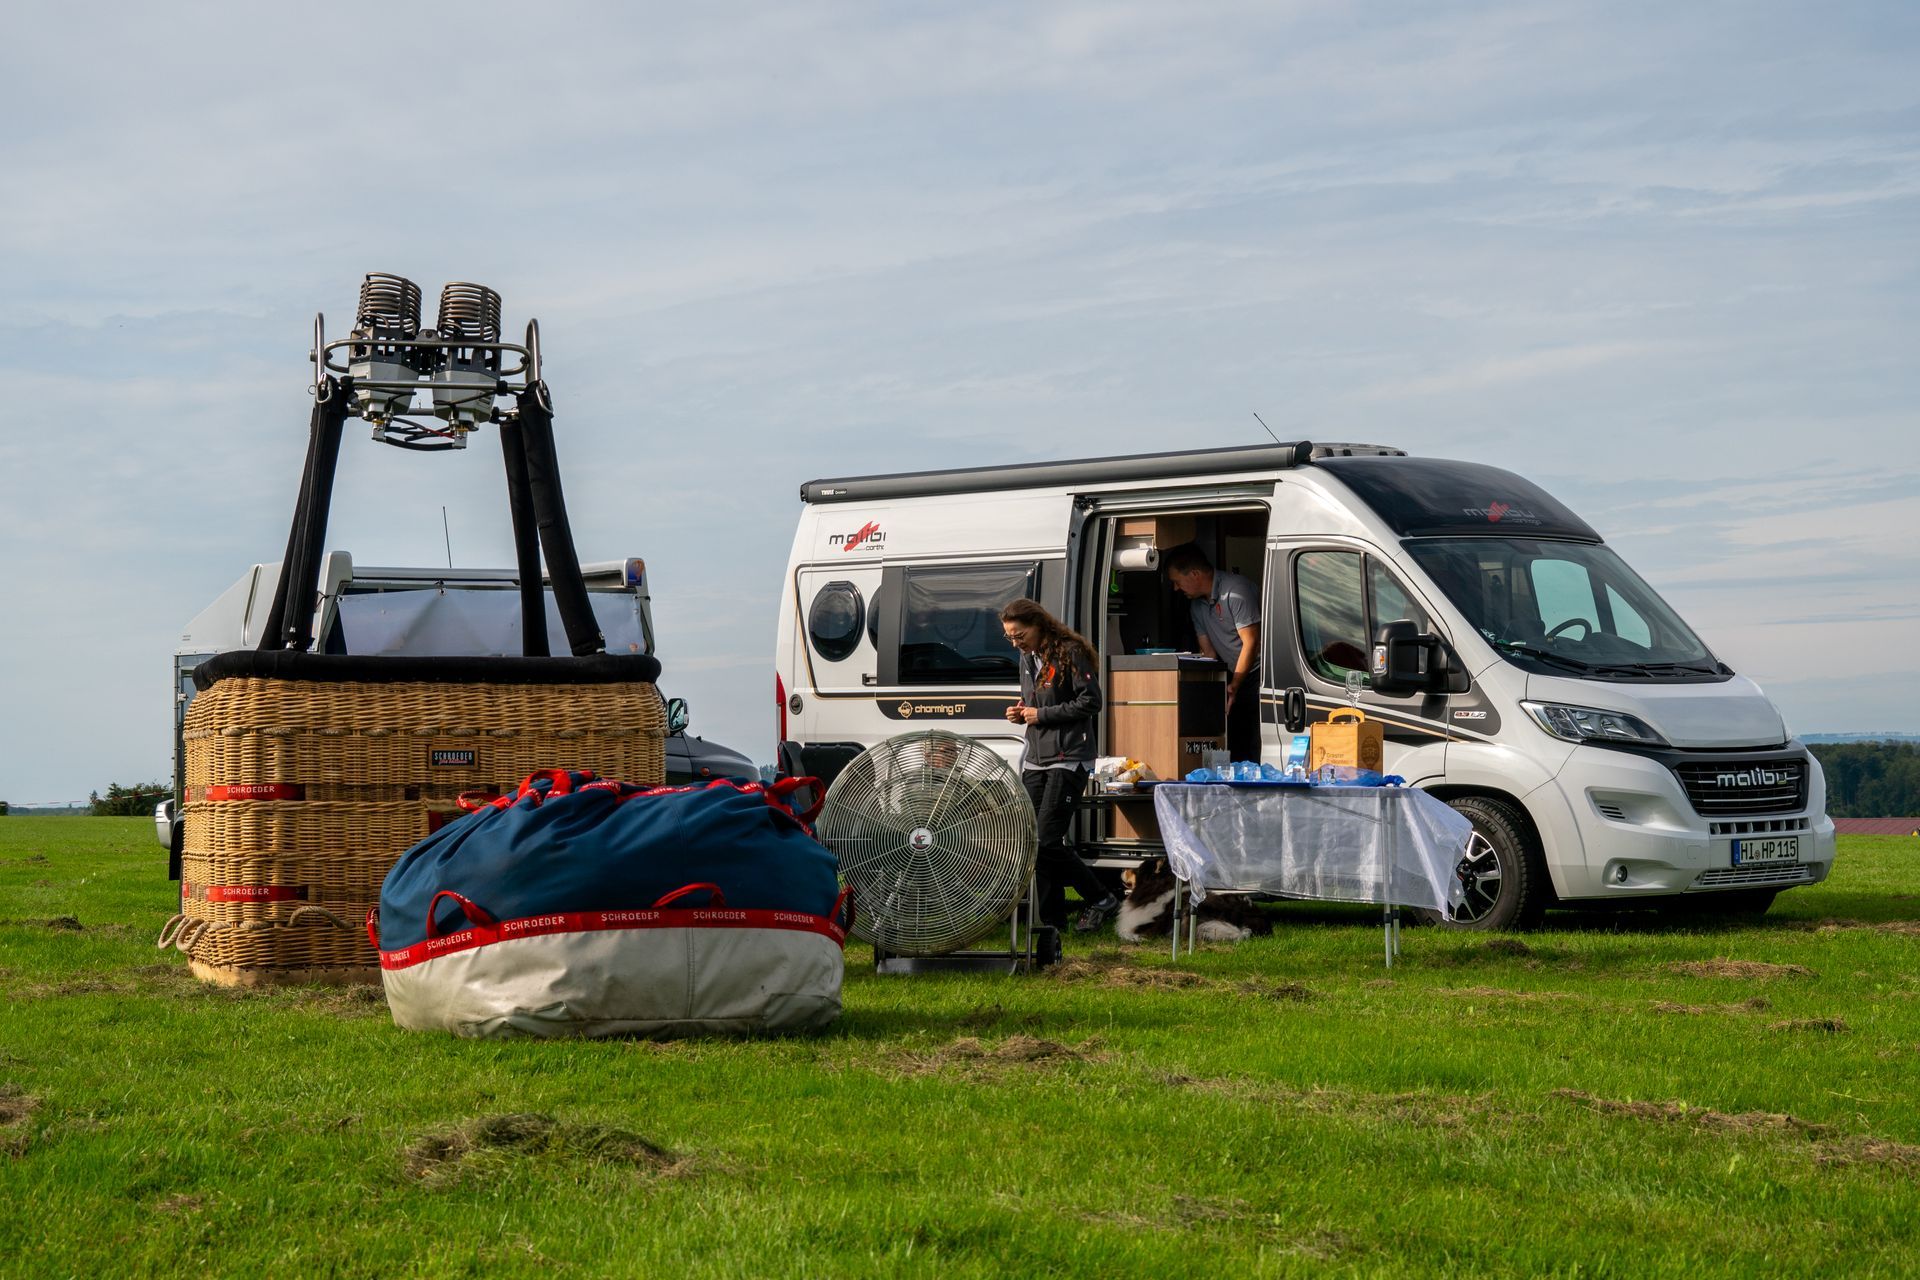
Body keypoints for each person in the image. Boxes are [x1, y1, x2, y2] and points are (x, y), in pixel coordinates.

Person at [999, 597, 1120, 933]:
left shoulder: (1070, 651)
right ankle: (1051, 921)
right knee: (1031, 841)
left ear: (1039, 625)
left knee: (1047, 841)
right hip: (1036, 758)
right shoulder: (1026, 657)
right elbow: (1035, 701)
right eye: (1009, 637)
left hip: (1069, 758)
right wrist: (1020, 711)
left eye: (1019, 635)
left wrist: (1042, 714)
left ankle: (1101, 898)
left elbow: (1091, 701)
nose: (1015, 643)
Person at [1164, 544, 1262, 763]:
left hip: (1258, 675)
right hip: (1231, 677)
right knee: (1233, 742)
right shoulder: (1196, 606)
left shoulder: (1236, 592)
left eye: (1177, 581)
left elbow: (1251, 643)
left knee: (1254, 740)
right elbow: (1209, 652)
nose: (1176, 588)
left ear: (1195, 574)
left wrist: (1234, 686)